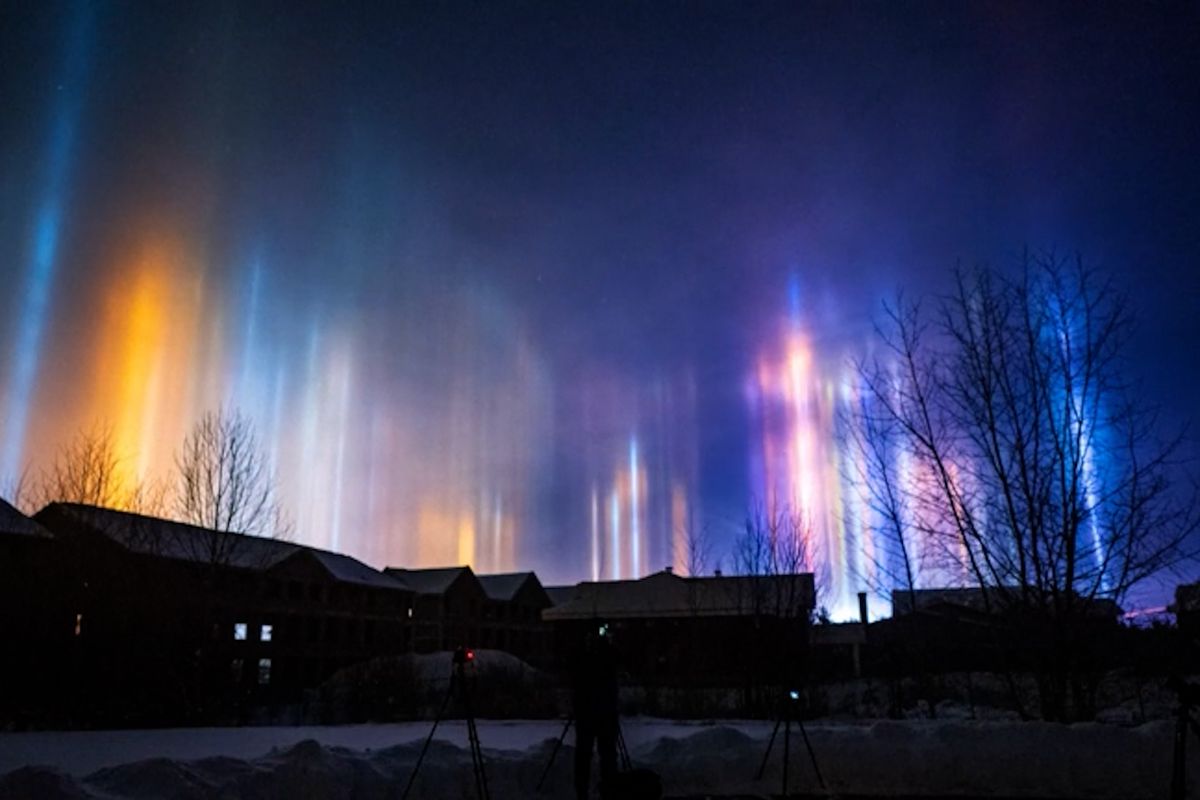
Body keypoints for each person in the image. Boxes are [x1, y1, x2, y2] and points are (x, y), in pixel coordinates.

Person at [571, 623, 620, 799]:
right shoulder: (602, 656)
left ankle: (587, 790)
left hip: (591, 712)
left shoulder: (585, 656)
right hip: (601, 712)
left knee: (588, 754)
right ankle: (605, 789)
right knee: (603, 754)